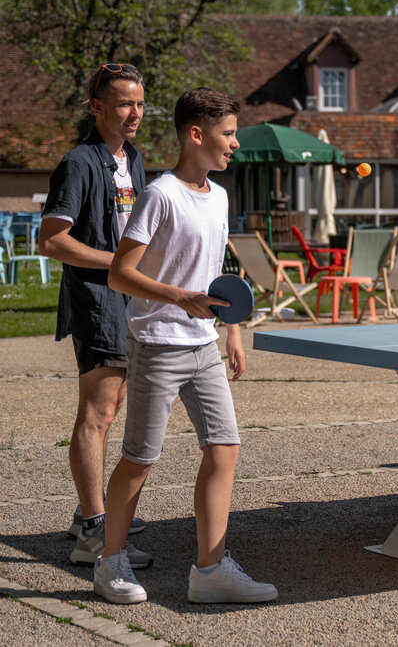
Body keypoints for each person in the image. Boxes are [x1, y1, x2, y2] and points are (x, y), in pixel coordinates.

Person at [94, 88, 277, 605]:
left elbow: (216, 273)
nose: (236, 144)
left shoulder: (218, 196)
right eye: (228, 133)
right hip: (156, 344)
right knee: (140, 459)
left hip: (204, 345)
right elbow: (119, 273)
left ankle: (210, 569)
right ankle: (111, 563)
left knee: (225, 449)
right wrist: (179, 298)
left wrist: (232, 327)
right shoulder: (160, 195)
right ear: (196, 135)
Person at [38, 63, 150, 567]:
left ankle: (93, 513)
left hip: (131, 300)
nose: (135, 113)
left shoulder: (135, 160)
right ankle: (92, 529)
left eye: (141, 104)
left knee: (113, 413)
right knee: (97, 415)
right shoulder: (80, 162)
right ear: (97, 106)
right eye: (124, 103)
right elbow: (52, 240)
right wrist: (119, 265)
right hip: (98, 300)